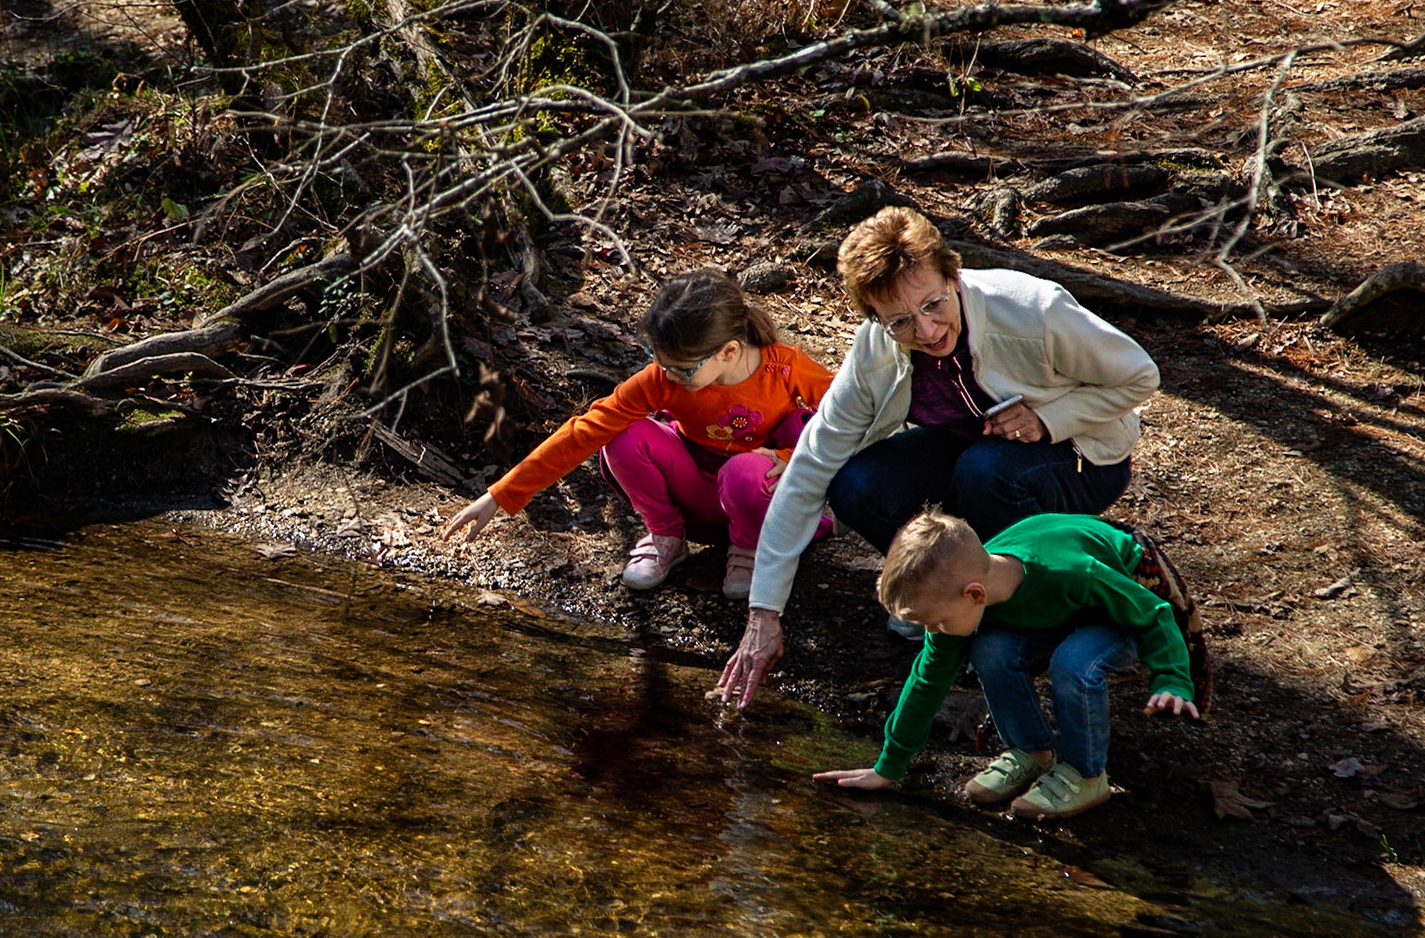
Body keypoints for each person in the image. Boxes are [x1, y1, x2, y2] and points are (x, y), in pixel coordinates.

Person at [717, 206, 1159, 706]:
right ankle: (946, 600)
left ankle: (1027, 617)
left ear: (953, 275)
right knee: (855, 484)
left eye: (933, 304)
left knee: (984, 472)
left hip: (1081, 454)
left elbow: (1139, 375)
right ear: (875, 319)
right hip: (973, 447)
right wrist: (764, 612)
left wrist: (1049, 417)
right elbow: (812, 464)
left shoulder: (1030, 308)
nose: (925, 332)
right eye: (900, 321)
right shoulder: (876, 351)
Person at [439, 269, 833, 598]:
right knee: (622, 435)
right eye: (657, 360)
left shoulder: (786, 368)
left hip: (761, 499)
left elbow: (850, 416)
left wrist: (789, 459)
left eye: (681, 367)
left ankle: (750, 549)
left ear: (728, 351)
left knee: (742, 473)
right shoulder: (663, 379)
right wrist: (500, 495)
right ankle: (667, 538)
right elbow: (585, 431)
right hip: (698, 495)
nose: (668, 374)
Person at [813, 508, 1200, 820]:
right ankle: (1031, 751)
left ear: (975, 594)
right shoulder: (969, 590)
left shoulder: (1071, 571)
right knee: (990, 650)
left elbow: (1152, 612)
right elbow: (928, 679)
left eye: (935, 621)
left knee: (1073, 662)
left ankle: (1086, 774)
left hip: (1125, 601)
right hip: (1063, 608)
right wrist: (888, 767)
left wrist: (1172, 679)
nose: (932, 631)